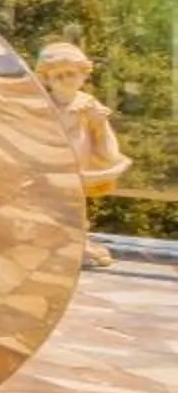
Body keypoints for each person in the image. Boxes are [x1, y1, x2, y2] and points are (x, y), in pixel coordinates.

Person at [37, 40, 132, 267]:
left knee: (74, 205)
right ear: (46, 79)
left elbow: (107, 146)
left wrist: (100, 123)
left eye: (71, 73)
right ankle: (54, 242)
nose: (64, 79)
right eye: (57, 75)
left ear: (83, 74)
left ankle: (75, 242)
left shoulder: (88, 105)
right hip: (49, 165)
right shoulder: (42, 105)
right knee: (51, 205)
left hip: (79, 167)